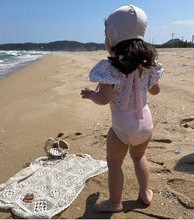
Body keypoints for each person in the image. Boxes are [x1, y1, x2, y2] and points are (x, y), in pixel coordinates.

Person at [80, 4, 163, 212]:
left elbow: (104, 99)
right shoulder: (147, 64)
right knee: (138, 156)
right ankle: (145, 193)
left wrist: (91, 94)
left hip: (121, 128)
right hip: (145, 125)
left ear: (113, 37)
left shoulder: (110, 67)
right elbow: (155, 91)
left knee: (115, 165)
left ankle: (115, 203)